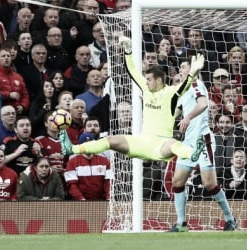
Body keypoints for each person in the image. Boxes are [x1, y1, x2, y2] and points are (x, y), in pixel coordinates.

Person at [60, 36, 205, 163]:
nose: (146, 82)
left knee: (173, 144)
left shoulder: (171, 93)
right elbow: (133, 72)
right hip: (142, 141)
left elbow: (185, 85)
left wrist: (193, 72)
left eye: (149, 79)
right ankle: (72, 148)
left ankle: (192, 154)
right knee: (110, 140)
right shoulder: (146, 89)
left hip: (161, 144)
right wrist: (128, 52)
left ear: (159, 80)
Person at [168, 58, 236, 232]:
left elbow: (204, 104)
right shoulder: (182, 91)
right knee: (177, 181)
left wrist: (188, 117)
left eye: (184, 67)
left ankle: (230, 219)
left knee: (209, 184)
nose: (181, 70)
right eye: (180, 67)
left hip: (202, 140)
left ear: (193, 69)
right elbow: (172, 113)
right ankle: (181, 223)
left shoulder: (196, 83)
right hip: (188, 143)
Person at [64, 132, 113, 200]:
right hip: (80, 202)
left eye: (90, 144)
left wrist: (108, 198)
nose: (88, 146)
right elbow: (72, 185)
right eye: (85, 144)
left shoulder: (104, 161)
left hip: (101, 201)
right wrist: (82, 199)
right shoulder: (72, 162)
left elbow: (109, 182)